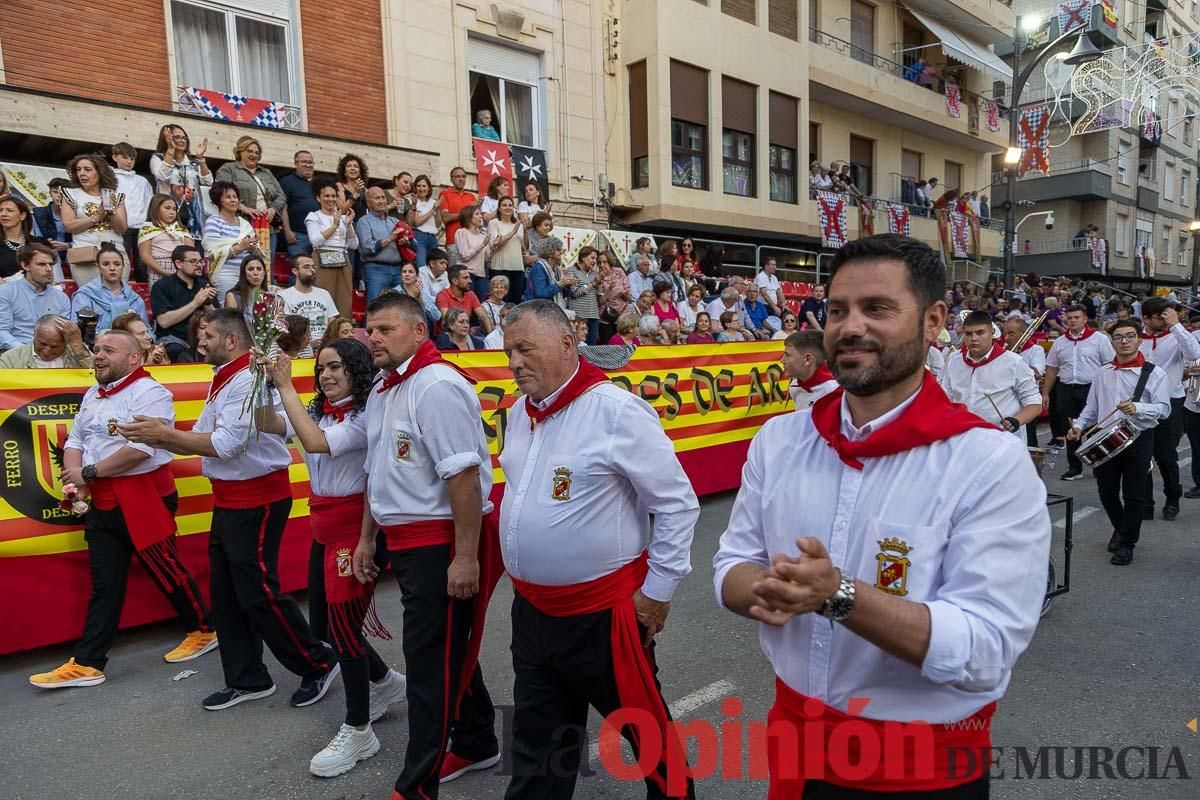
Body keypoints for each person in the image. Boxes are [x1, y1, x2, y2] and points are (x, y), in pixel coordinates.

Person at [714, 234, 1051, 798]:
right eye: (838, 310)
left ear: (934, 320)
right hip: (796, 744)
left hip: (921, 768)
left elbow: (986, 649)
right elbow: (729, 566)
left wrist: (837, 595)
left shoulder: (988, 460)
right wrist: (770, 588)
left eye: (877, 308)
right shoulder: (781, 440)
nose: (849, 327)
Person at [497, 300, 699, 799]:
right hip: (533, 615)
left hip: (603, 618)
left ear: (568, 343)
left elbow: (676, 505)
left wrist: (657, 592)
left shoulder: (616, 411)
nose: (515, 363)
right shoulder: (520, 413)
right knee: (537, 749)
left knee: (650, 747)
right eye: (507, 353)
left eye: (525, 349)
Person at [120, 309, 340, 711]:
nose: (199, 342)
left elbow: (225, 445)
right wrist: (163, 434)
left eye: (207, 335)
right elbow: (217, 438)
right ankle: (247, 678)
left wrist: (164, 436)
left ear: (232, 341)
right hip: (231, 497)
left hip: (256, 498)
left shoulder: (245, 380)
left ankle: (318, 662)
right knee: (226, 595)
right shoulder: (229, 377)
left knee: (258, 593)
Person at [350, 292, 502, 796]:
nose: (373, 337)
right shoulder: (383, 386)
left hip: (438, 541)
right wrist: (368, 538)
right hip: (403, 537)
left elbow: (463, 476)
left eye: (385, 329)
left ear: (419, 331)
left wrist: (463, 556)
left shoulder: (436, 384)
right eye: (370, 329)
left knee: (427, 662)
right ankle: (478, 739)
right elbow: (377, 468)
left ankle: (417, 784)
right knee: (444, 648)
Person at [29, 329, 216, 690]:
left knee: (167, 570)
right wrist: (77, 473)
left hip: (142, 496)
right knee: (105, 584)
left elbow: (143, 450)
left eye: (108, 350)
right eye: (96, 349)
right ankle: (88, 663)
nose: (97, 355)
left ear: (133, 358)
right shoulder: (92, 395)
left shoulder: (151, 393)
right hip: (103, 499)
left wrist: (88, 472)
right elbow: (78, 439)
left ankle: (205, 629)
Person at [260, 341, 408, 775]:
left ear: (356, 371)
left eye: (336, 367)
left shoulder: (364, 417)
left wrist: (285, 384)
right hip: (324, 529)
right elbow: (267, 422)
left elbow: (316, 442)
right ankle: (383, 681)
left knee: (343, 631)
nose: (326, 375)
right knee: (324, 625)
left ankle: (359, 729)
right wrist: (258, 383)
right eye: (321, 367)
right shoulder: (319, 409)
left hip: (354, 533)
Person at [1069, 319, 1171, 565]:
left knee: (1135, 494)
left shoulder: (1153, 373)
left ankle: (1127, 543)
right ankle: (1123, 527)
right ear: (1111, 341)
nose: (1124, 341)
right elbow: (1091, 408)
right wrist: (1079, 426)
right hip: (1106, 436)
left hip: (1138, 436)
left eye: (1129, 336)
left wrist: (1137, 406)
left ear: (1139, 339)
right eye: (1118, 337)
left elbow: (1164, 409)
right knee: (1106, 491)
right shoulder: (1103, 372)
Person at [1137, 298, 1200, 520]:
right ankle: (1145, 503)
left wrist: (1175, 325)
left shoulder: (1176, 336)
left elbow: (1194, 353)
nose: (1165, 319)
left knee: (1166, 457)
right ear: (1146, 318)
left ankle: (1173, 497)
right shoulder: (1135, 338)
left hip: (1171, 401)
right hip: (1141, 404)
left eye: (1168, 314)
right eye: (1160, 316)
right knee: (1141, 457)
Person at [940, 311, 1043, 437]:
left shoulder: (1015, 362)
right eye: (968, 334)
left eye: (980, 332)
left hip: (1002, 442)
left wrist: (1016, 421)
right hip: (963, 439)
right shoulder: (953, 361)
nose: (974, 338)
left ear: (992, 333)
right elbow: (944, 399)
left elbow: (1035, 403)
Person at [1042, 304, 1116, 480]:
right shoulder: (1060, 342)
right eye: (1069, 318)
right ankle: (1074, 467)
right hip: (1066, 388)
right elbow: (1052, 369)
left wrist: (1108, 391)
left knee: (1095, 428)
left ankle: (1098, 465)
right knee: (1070, 428)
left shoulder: (1099, 339)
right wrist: (1045, 393)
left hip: (1091, 388)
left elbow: (1109, 366)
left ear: (1084, 319)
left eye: (1076, 317)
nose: (1073, 321)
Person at [60, 153, 129, 286]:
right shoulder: (71, 194)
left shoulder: (115, 196)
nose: (82, 173)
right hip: (85, 255)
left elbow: (122, 228)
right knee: (89, 299)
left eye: (87, 169)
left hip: (114, 254)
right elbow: (69, 225)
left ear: (100, 172)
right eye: (78, 170)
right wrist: (97, 216)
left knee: (116, 297)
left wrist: (109, 211)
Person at [214, 136, 285, 253]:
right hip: (240, 225)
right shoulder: (228, 169)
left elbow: (281, 196)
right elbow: (220, 192)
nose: (254, 155)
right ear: (240, 152)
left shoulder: (266, 173)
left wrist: (273, 209)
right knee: (244, 262)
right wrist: (243, 208)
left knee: (266, 264)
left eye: (257, 152)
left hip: (267, 227)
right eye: (250, 151)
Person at [150, 244, 218, 361]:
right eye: (193, 261)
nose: (199, 265)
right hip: (174, 338)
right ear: (179, 264)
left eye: (200, 261)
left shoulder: (204, 284)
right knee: (176, 350)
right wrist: (195, 303)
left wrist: (207, 303)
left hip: (203, 337)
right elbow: (163, 321)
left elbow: (218, 319)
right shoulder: (162, 286)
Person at [0, 243, 71, 351]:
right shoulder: (6, 292)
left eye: (50, 264)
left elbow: (64, 334)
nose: (48, 269)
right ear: (25, 265)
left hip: (52, 353)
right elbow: (2, 332)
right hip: (15, 352)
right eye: (42, 264)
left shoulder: (61, 298)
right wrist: (26, 352)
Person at [306, 177, 359, 317]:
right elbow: (315, 241)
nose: (331, 199)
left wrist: (348, 225)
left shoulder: (343, 217)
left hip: (343, 258)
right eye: (327, 196)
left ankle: (343, 333)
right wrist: (334, 226)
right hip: (322, 257)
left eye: (334, 196)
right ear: (318, 198)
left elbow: (354, 245)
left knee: (344, 301)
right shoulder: (314, 216)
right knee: (323, 299)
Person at [149, 125, 212, 240]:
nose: (182, 140)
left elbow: (208, 182)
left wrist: (201, 159)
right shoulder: (158, 158)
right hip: (168, 217)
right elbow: (162, 176)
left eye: (184, 138)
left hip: (193, 218)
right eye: (177, 137)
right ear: (167, 139)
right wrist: (171, 150)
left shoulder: (193, 163)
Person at [71, 242, 149, 332]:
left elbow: (146, 330)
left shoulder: (135, 298)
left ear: (123, 266)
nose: (112, 268)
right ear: (98, 267)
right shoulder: (84, 295)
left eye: (117, 264)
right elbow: (77, 330)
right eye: (106, 264)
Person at [203, 181, 258, 301]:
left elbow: (256, 251)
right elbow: (212, 253)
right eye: (228, 197)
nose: (233, 200)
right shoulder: (213, 221)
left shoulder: (245, 223)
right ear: (219, 201)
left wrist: (253, 247)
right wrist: (241, 247)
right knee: (228, 312)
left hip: (247, 274)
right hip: (225, 274)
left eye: (235, 197)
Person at [280, 254, 340, 357]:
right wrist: (308, 343)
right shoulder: (284, 296)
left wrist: (327, 341)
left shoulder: (324, 294)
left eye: (313, 267)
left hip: (325, 346)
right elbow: (286, 328)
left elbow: (332, 322)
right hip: (299, 347)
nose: (312, 270)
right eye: (306, 267)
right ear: (295, 271)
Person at [1003, 316, 1048, 448]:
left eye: (1011, 333)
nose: (1006, 338)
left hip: (1027, 405)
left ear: (1023, 334)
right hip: (1007, 404)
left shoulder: (1036, 350)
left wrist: (1014, 360)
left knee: (1029, 442)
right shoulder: (1004, 351)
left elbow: (1037, 373)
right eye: (1005, 333)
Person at [110, 142, 152, 279]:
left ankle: (142, 290)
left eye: (132, 159)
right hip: (121, 226)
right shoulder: (111, 178)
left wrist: (147, 223)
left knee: (141, 262)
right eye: (125, 157)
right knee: (122, 259)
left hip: (141, 227)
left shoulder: (142, 181)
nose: (129, 161)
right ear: (115, 157)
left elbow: (149, 202)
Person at [356, 185, 405, 303]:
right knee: (375, 306)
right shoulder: (364, 221)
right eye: (377, 198)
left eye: (383, 197)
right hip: (376, 270)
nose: (382, 201)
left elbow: (413, 243)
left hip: (398, 270)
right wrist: (390, 239)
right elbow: (367, 247)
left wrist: (406, 242)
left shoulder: (395, 221)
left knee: (399, 307)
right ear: (369, 203)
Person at [137, 194, 195, 285]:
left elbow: (191, 249)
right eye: (167, 208)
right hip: (158, 269)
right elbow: (145, 255)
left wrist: (184, 269)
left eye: (174, 209)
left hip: (181, 267)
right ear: (156, 209)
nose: (172, 212)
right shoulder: (147, 228)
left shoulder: (180, 228)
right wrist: (166, 273)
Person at [0, 315, 93, 369]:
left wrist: (80, 351)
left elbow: (99, 378)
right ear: (34, 335)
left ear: (66, 343)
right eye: (42, 344)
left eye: (54, 347)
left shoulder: (77, 355)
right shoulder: (11, 359)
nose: (47, 351)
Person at [782, 330, 838, 411]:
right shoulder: (794, 387)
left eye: (787, 355)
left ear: (807, 359)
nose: (782, 360)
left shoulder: (834, 391)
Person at [0, 195, 52, 279]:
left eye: (9, 210)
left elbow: (50, 273)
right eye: (0, 210)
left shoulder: (38, 244)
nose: (3, 214)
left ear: (22, 215)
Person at [486, 196, 525, 302]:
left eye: (510, 205)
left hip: (518, 268)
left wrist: (525, 229)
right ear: (499, 209)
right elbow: (495, 245)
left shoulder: (518, 224)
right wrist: (513, 232)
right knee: (501, 301)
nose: (508, 207)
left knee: (516, 302)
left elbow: (525, 247)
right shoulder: (493, 223)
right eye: (504, 205)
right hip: (500, 267)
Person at [281, 150, 319, 259]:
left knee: (318, 273)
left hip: (319, 236)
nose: (308, 165)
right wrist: (287, 231)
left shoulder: (318, 183)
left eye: (310, 162)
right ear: (296, 163)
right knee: (299, 270)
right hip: (298, 236)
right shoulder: (287, 181)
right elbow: (283, 207)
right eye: (304, 162)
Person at [436, 264, 493, 333]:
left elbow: (484, 317)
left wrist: (491, 338)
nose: (470, 281)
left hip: (464, 335)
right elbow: (448, 321)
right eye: (466, 278)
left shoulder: (470, 294)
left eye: (469, 278)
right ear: (455, 281)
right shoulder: (443, 295)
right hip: (447, 336)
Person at [453, 204, 494, 300]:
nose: (481, 216)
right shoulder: (462, 232)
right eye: (477, 214)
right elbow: (465, 255)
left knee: (483, 303)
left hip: (481, 275)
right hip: (466, 274)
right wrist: (482, 245)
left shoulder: (483, 236)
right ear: (469, 218)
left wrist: (493, 247)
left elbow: (487, 259)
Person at [526, 236, 577, 309]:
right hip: (537, 310)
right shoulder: (539, 267)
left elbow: (564, 294)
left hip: (550, 309)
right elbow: (540, 294)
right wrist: (560, 284)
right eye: (558, 249)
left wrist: (568, 284)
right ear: (549, 252)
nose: (561, 251)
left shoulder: (555, 269)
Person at [438, 167, 477, 264]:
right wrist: (467, 210)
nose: (461, 179)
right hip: (454, 242)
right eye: (458, 176)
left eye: (463, 176)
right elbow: (446, 218)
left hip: (471, 242)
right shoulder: (445, 194)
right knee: (455, 274)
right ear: (451, 179)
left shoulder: (471, 196)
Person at [566, 245, 601, 345]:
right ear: (583, 257)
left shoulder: (594, 274)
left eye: (596, 259)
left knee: (591, 347)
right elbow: (574, 293)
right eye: (592, 258)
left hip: (593, 315)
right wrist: (593, 284)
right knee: (577, 345)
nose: (595, 261)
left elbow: (598, 295)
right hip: (579, 316)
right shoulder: (571, 270)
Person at [223, 253, 275, 318]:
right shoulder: (232, 296)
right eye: (250, 269)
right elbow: (231, 324)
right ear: (244, 273)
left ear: (264, 273)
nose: (255, 273)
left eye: (259, 269)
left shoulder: (271, 295)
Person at [408, 175, 440, 267]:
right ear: (415, 188)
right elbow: (417, 222)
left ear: (429, 188)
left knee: (434, 267)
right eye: (419, 186)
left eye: (424, 186)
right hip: (419, 236)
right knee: (421, 265)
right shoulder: (413, 201)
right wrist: (433, 210)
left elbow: (438, 224)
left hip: (433, 237)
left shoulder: (433, 202)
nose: (421, 189)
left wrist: (438, 210)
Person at [335, 154, 369, 221]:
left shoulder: (365, 190)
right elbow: (342, 210)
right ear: (344, 172)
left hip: (362, 227)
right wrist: (355, 194)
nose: (352, 168)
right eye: (349, 166)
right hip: (346, 225)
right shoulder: (339, 186)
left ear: (360, 172)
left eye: (356, 166)